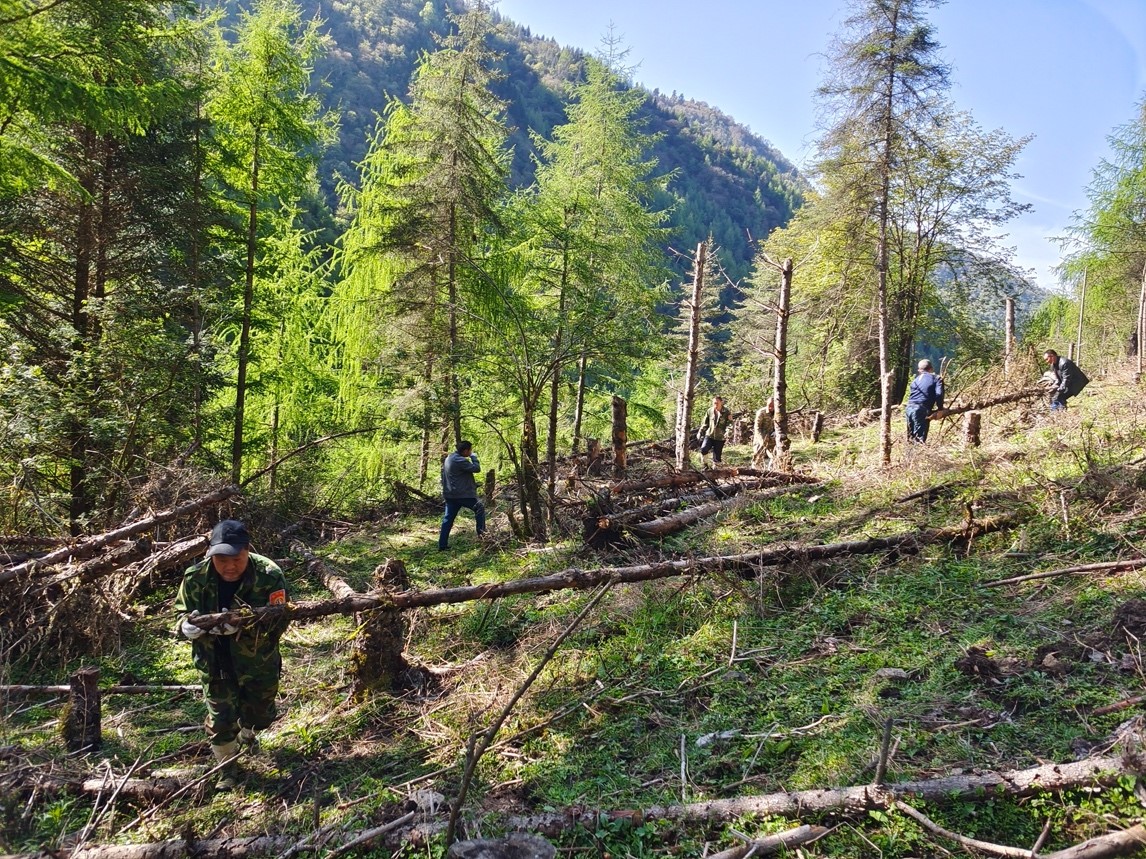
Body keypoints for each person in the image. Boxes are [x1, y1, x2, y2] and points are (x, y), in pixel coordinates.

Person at [174, 519, 289, 790]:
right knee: (221, 718)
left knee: (261, 714)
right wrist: (185, 626)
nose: (229, 566)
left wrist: (242, 627)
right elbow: (179, 613)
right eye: (221, 559)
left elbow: (279, 621)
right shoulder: (195, 577)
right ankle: (227, 769)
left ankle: (249, 734)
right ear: (211, 553)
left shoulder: (269, 575)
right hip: (214, 661)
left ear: (248, 550)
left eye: (236, 558)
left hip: (257, 660)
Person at [439, 440, 486, 550]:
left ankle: (442, 545)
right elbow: (476, 469)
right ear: (465, 450)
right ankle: (482, 536)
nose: (470, 452)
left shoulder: (450, 457)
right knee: (479, 507)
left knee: (448, 520)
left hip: (450, 495)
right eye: (470, 450)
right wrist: (474, 458)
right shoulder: (460, 460)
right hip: (461, 495)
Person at [905, 359, 944, 443]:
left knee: (911, 438)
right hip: (921, 409)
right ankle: (917, 455)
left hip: (909, 408)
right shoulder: (936, 378)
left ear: (919, 370)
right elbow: (939, 394)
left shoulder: (914, 381)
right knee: (919, 440)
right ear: (931, 369)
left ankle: (910, 455)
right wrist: (940, 409)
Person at [697, 395, 732, 468]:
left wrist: (728, 431)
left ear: (721, 402)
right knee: (704, 449)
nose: (715, 404)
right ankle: (705, 466)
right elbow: (705, 423)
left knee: (717, 458)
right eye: (714, 403)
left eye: (717, 403)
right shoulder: (710, 411)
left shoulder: (726, 412)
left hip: (720, 437)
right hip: (710, 435)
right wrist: (700, 432)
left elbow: (730, 423)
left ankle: (715, 472)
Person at [752, 398, 776, 469]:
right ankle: (755, 472)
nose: (771, 407)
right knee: (758, 457)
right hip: (760, 438)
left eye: (773, 406)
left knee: (774, 456)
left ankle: (771, 472)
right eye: (769, 405)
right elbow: (757, 428)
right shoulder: (761, 412)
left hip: (771, 438)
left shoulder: (778, 412)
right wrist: (761, 440)